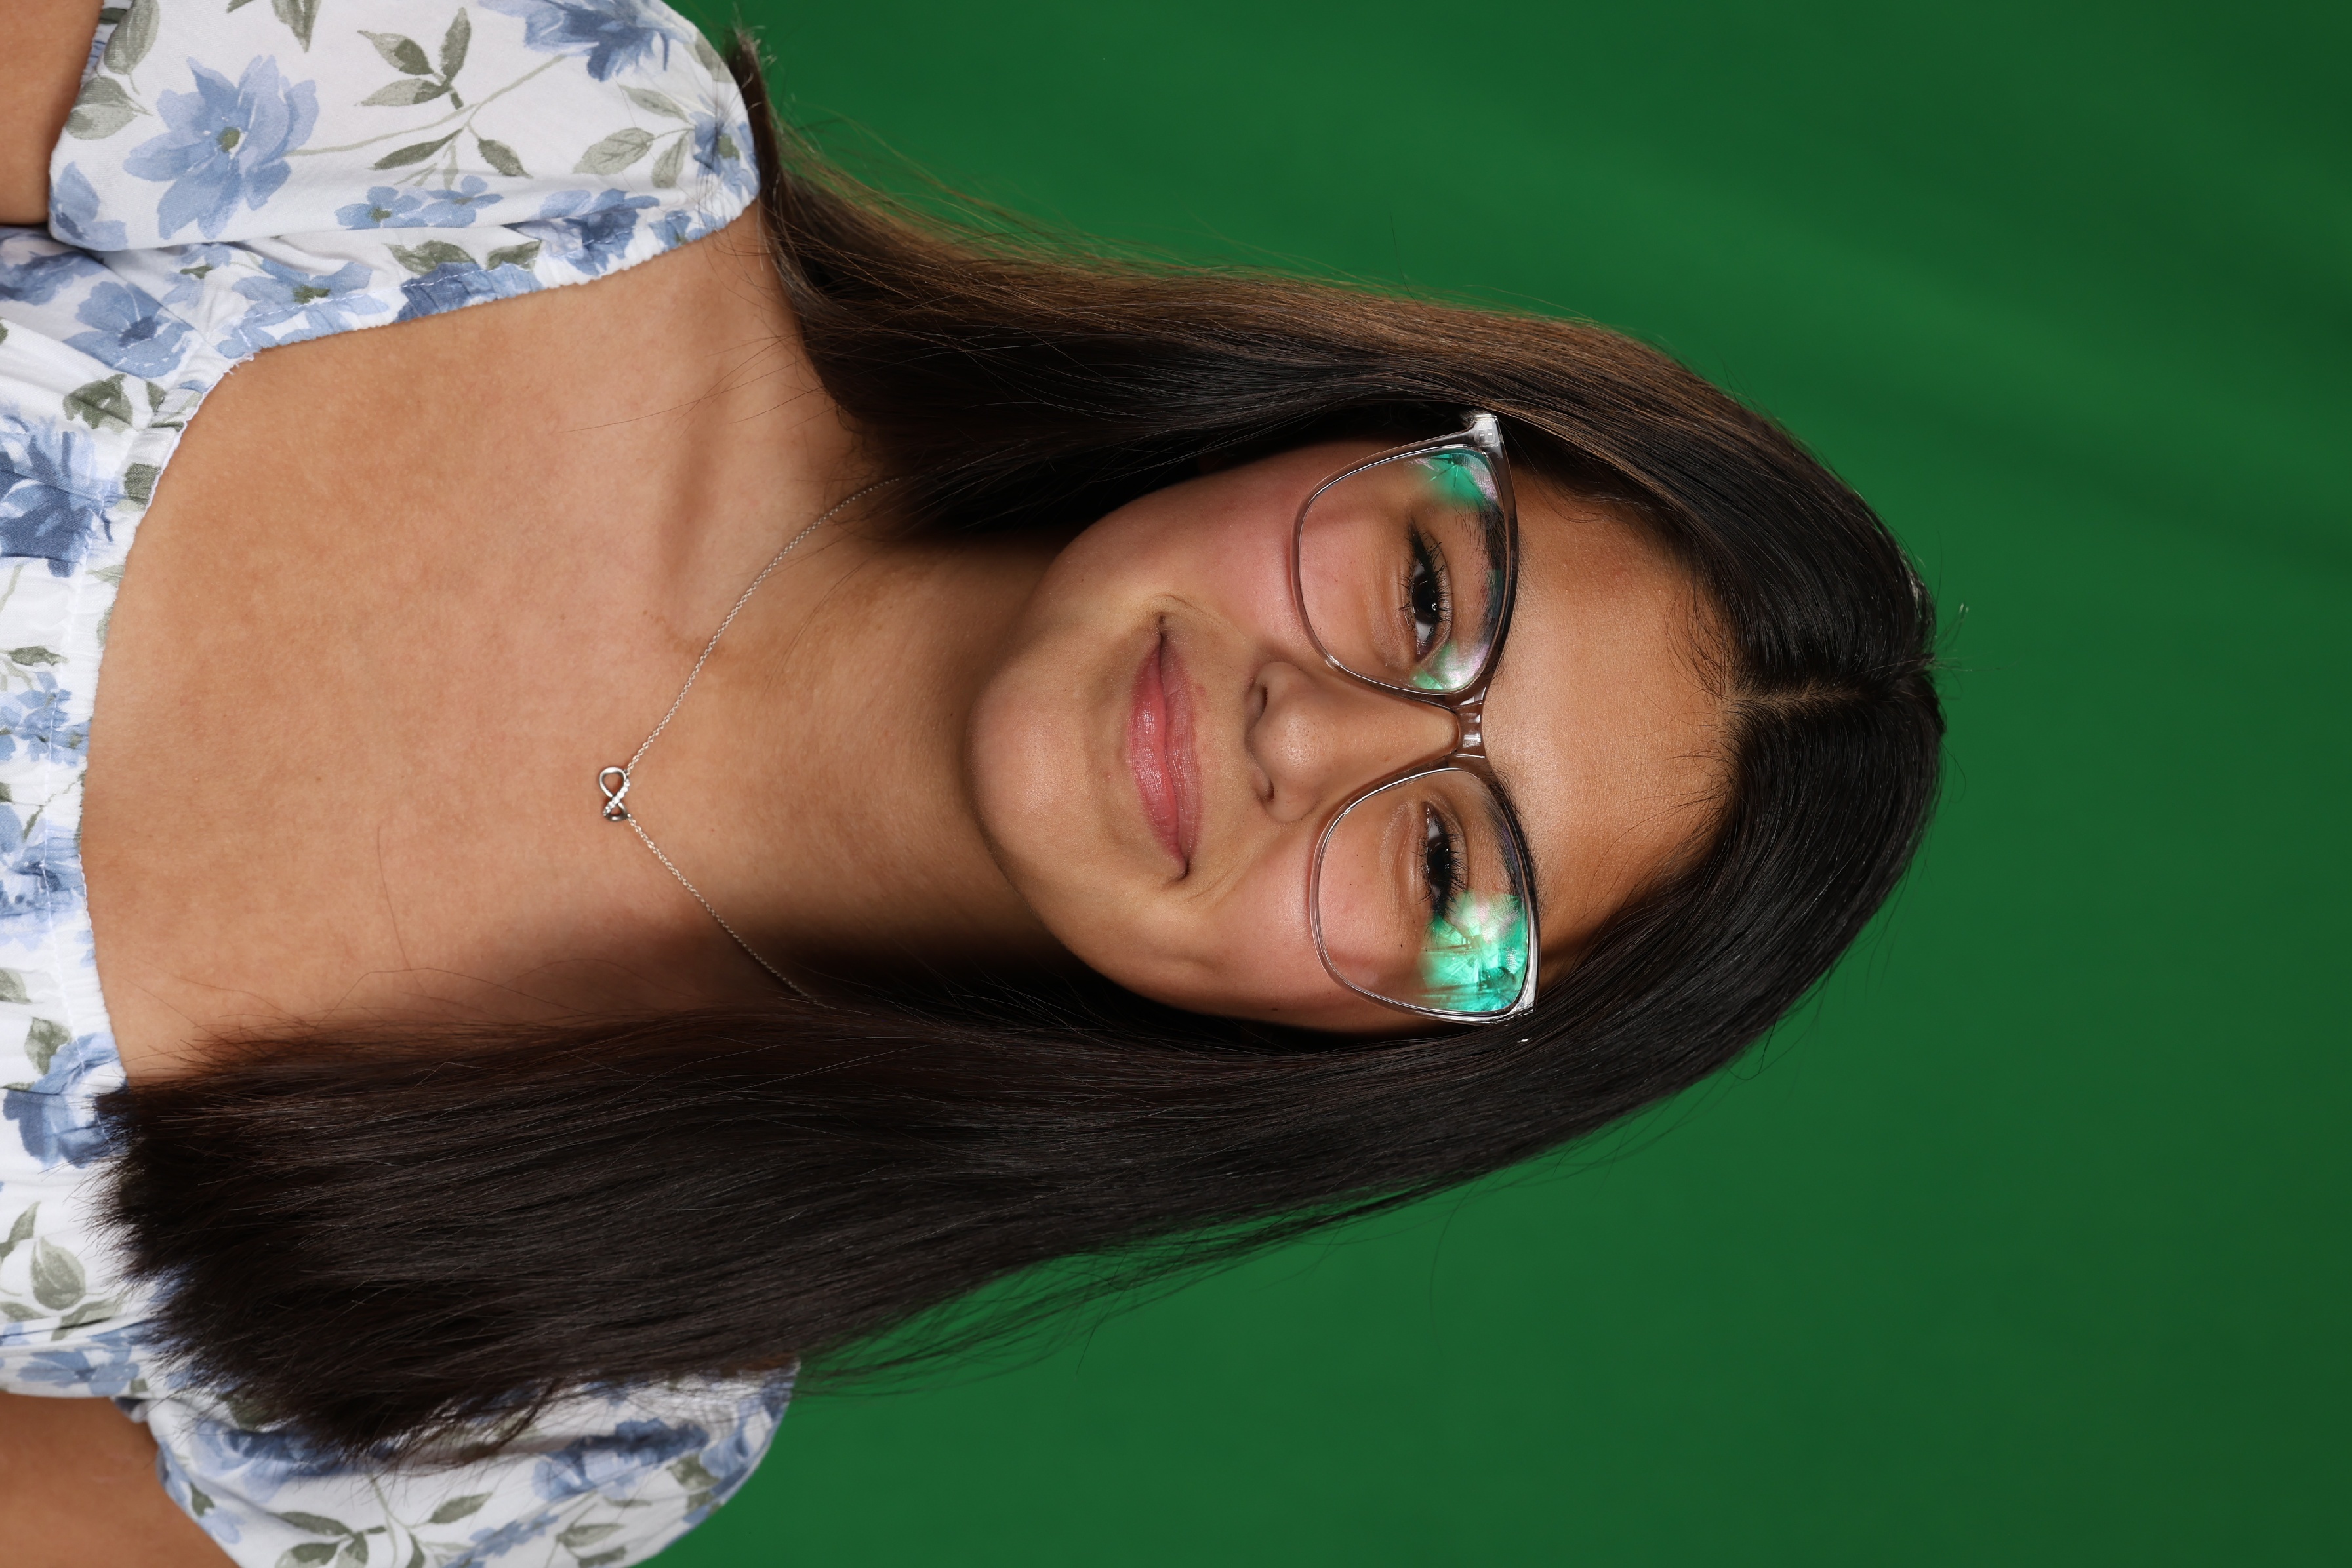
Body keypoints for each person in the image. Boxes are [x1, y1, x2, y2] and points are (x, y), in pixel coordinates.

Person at [0, 1, 1943, 1562]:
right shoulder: (551, 141)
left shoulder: (584, 1417)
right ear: (1351, 432)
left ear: (1385, 1052)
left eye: (1446, 866)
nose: (1310, 733)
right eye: (1427, 596)